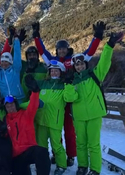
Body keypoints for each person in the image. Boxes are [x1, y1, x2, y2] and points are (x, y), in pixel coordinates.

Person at [32, 21, 105, 165]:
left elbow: (89, 53)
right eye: (59, 49)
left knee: (69, 129)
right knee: (55, 127)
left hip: (71, 98)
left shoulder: (73, 61)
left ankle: (71, 155)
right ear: (57, 50)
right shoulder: (52, 61)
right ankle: (56, 153)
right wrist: (36, 36)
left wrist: (97, 37)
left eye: (64, 48)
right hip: (57, 98)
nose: (62, 51)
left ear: (67, 49)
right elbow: (42, 52)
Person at [64, 32, 124, 175]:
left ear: (85, 64)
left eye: (81, 63)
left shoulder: (95, 74)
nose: (79, 66)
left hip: (94, 114)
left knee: (93, 144)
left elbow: (104, 61)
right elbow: (69, 98)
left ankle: (95, 169)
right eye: (76, 65)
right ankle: (83, 166)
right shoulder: (72, 81)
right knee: (81, 143)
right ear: (74, 67)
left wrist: (109, 45)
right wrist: (68, 84)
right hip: (78, 117)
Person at [0, 74, 51, 175]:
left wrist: (35, 91)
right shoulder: (5, 120)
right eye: (8, 106)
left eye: (12, 105)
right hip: (16, 155)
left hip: (30, 149)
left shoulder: (26, 114)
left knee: (42, 152)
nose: (10, 107)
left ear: (16, 105)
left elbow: (33, 104)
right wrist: (2, 131)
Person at [35, 60, 68, 175]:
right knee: (41, 145)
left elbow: (70, 98)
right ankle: (42, 164)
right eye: (52, 71)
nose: (53, 73)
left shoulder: (63, 85)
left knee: (56, 145)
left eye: (56, 71)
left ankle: (62, 166)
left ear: (61, 72)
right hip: (41, 120)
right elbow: (33, 99)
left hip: (55, 121)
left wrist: (68, 84)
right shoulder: (43, 83)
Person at [0, 38, 25, 103]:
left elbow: (17, 57)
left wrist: (17, 42)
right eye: (2, 61)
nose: (4, 63)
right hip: (5, 100)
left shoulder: (15, 70)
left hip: (18, 98)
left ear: (10, 62)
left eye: (6, 61)